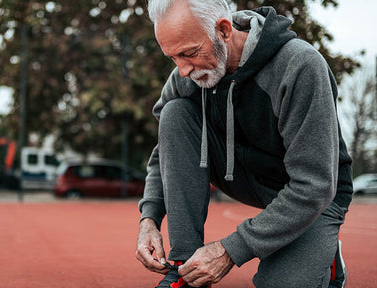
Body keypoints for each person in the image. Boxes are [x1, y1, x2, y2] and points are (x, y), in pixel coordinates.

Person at [134, 1, 353, 287]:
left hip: (313, 195)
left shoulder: (300, 66)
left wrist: (228, 250)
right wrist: (148, 218)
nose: (183, 70)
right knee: (174, 114)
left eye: (189, 53)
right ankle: (184, 267)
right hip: (245, 177)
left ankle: (325, 253)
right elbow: (166, 150)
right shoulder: (187, 76)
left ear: (224, 30)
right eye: (172, 58)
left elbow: (315, 185)